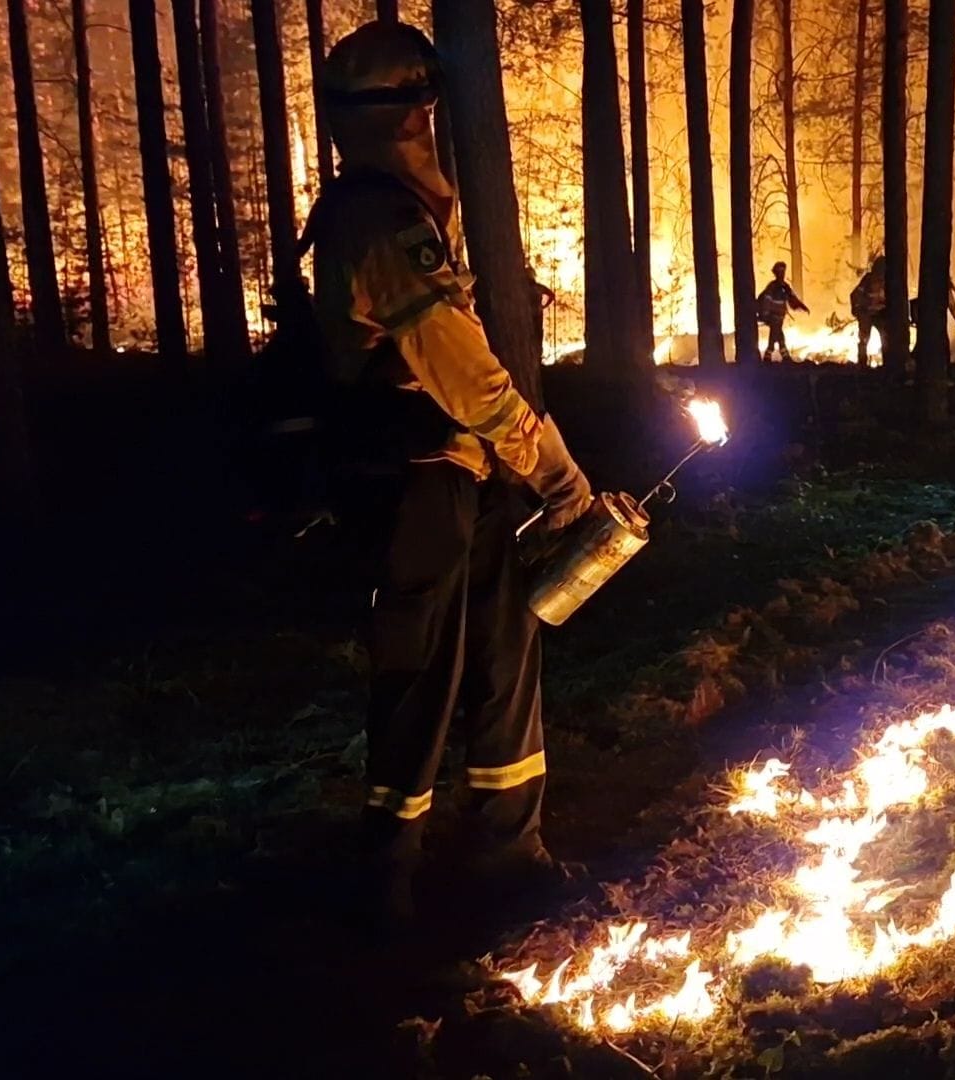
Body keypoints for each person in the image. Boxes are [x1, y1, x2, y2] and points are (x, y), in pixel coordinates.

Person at [311, 21, 594, 930]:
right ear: (403, 115)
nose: (433, 122)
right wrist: (545, 460)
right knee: (420, 669)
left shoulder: (406, 211)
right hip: (412, 482)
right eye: (422, 105)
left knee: (505, 653)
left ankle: (510, 846)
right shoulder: (378, 221)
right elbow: (451, 357)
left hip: (461, 474)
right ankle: (386, 874)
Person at [755, 261, 810, 362]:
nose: (782, 274)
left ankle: (783, 356)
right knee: (775, 333)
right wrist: (765, 314)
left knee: (778, 334)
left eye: (783, 272)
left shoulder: (785, 287)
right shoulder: (772, 286)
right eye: (780, 272)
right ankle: (771, 355)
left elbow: (792, 298)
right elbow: (766, 299)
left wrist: (802, 306)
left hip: (780, 316)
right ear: (776, 273)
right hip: (773, 315)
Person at [849, 256, 888, 366]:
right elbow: (855, 294)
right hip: (866, 313)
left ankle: (887, 363)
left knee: (885, 339)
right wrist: (857, 310)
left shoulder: (890, 281)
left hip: (881, 314)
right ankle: (862, 363)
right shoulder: (868, 279)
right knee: (864, 339)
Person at [525, 262, 555, 357]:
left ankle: (535, 355)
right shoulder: (538, 287)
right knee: (537, 335)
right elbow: (551, 295)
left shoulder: (525, 288)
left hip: (530, 314)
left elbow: (551, 295)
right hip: (537, 313)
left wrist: (544, 306)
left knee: (533, 335)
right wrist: (544, 306)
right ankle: (537, 355)